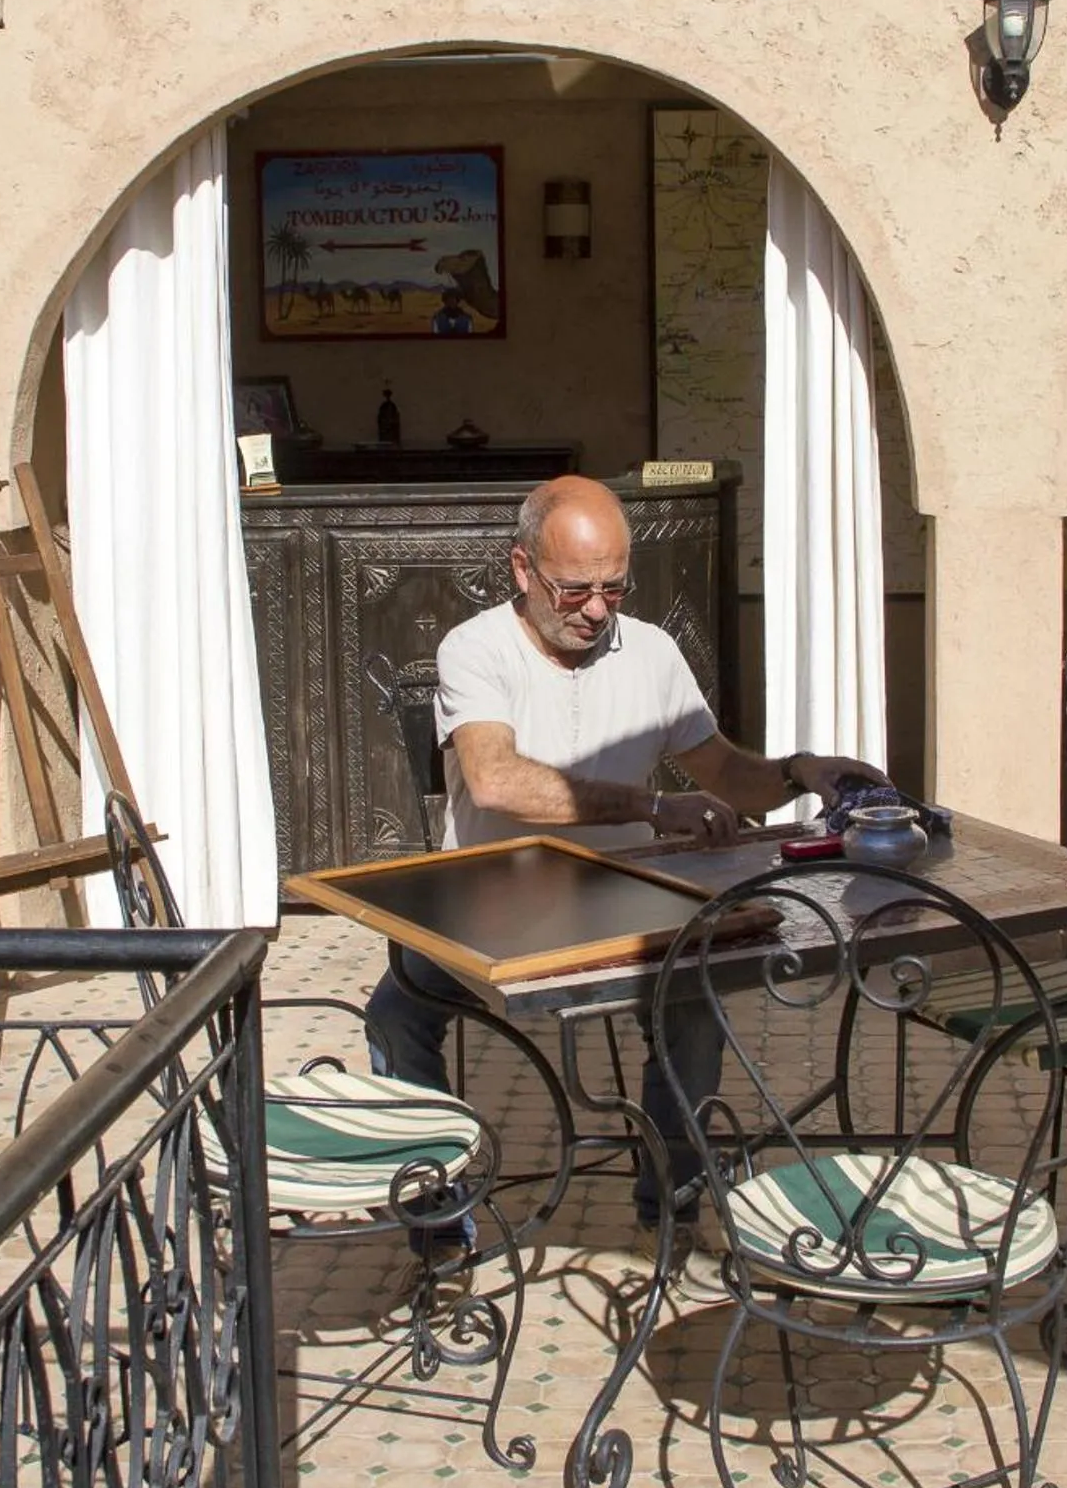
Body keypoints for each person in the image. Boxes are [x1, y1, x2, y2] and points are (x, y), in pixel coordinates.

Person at [364, 475, 883, 1246]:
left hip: (627, 899)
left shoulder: (652, 651)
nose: (599, 610)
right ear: (522, 569)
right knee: (396, 1014)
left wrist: (801, 770)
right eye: (575, 590)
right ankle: (440, 1218)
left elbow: (726, 775)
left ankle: (670, 1199)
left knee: (693, 1009)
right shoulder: (476, 647)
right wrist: (650, 806)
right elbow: (496, 781)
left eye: (614, 586)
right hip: (495, 904)